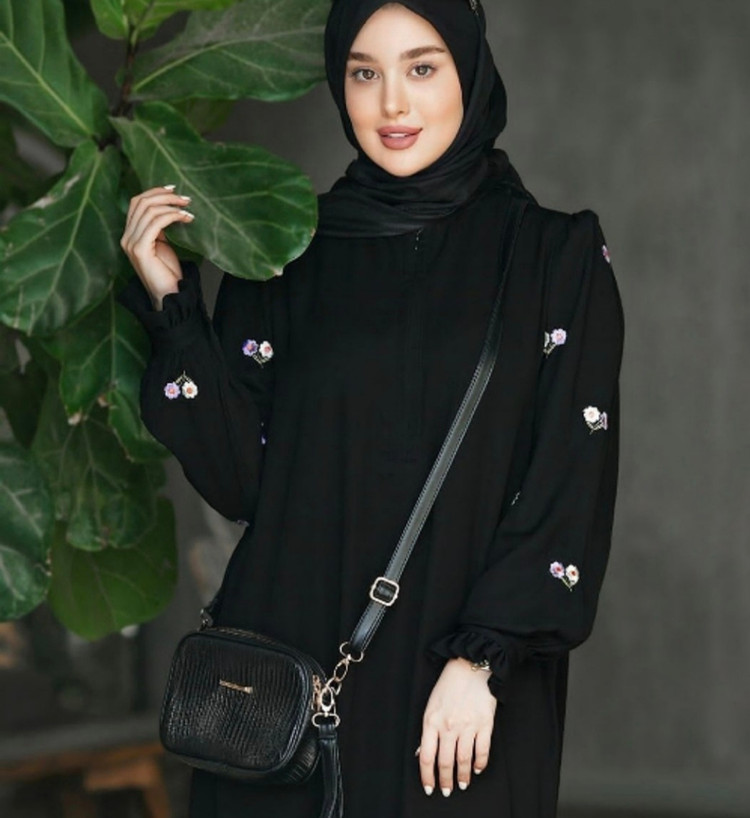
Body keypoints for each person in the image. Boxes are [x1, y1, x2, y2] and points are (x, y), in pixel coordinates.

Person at [118, 0, 625, 815]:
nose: (392, 103)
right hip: (282, 690)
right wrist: (173, 307)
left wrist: (480, 659)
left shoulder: (550, 257)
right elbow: (243, 480)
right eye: (364, 73)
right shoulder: (286, 252)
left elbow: (568, 479)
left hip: (459, 698)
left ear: (470, 71)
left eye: (422, 67)